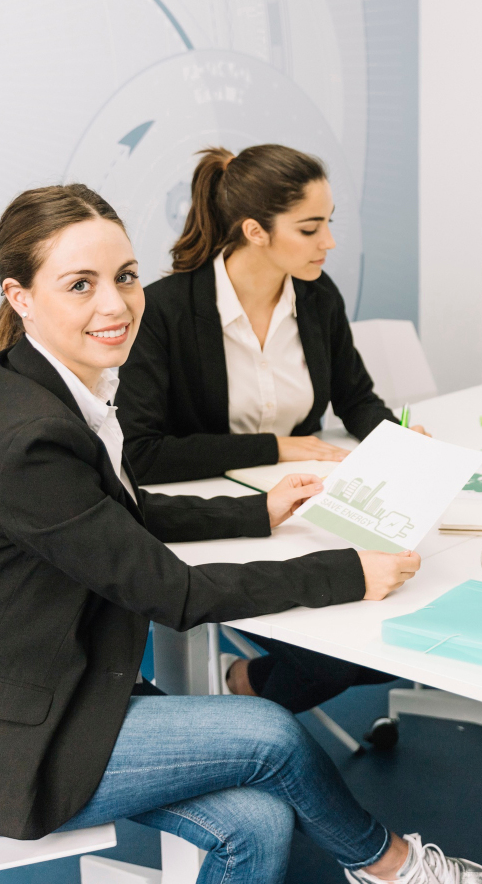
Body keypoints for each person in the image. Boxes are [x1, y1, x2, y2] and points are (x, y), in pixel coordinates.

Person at [0, 184, 482, 884]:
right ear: (21, 298)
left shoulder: (50, 388)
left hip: (62, 686)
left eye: (125, 277)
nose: (115, 304)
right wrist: (345, 571)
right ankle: (392, 867)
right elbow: (173, 593)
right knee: (269, 732)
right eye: (80, 285)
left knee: (256, 822)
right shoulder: (31, 438)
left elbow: (116, 515)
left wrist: (256, 512)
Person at [116, 144, 422, 709]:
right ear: (255, 231)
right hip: (214, 517)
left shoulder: (318, 296)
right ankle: (242, 701)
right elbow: (142, 452)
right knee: (337, 659)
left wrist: (397, 439)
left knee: (394, 628)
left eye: (329, 223)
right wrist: (273, 447)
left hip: (308, 510)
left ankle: (244, 683)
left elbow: (356, 398)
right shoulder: (166, 310)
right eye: (310, 228)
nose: (328, 242)